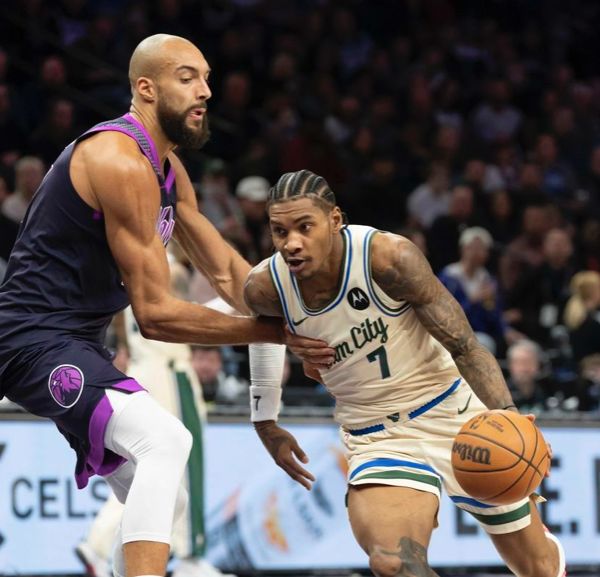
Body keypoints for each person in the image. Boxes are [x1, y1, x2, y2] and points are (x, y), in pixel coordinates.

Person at [0, 36, 334, 577]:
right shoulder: (117, 160)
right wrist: (277, 335)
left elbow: (230, 277)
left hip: (77, 342)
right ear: (146, 89)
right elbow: (155, 315)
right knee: (165, 440)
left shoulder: (168, 169)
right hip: (31, 339)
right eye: (187, 77)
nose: (205, 90)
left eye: (206, 77)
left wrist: (306, 312)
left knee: (165, 496)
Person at [243, 169, 565, 577]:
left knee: (538, 568)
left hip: (451, 411)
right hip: (379, 436)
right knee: (395, 564)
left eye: (304, 227)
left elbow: (464, 345)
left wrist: (509, 416)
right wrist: (264, 418)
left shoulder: (388, 257)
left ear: (335, 220)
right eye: (279, 231)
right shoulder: (267, 286)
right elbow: (262, 332)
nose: (291, 242)